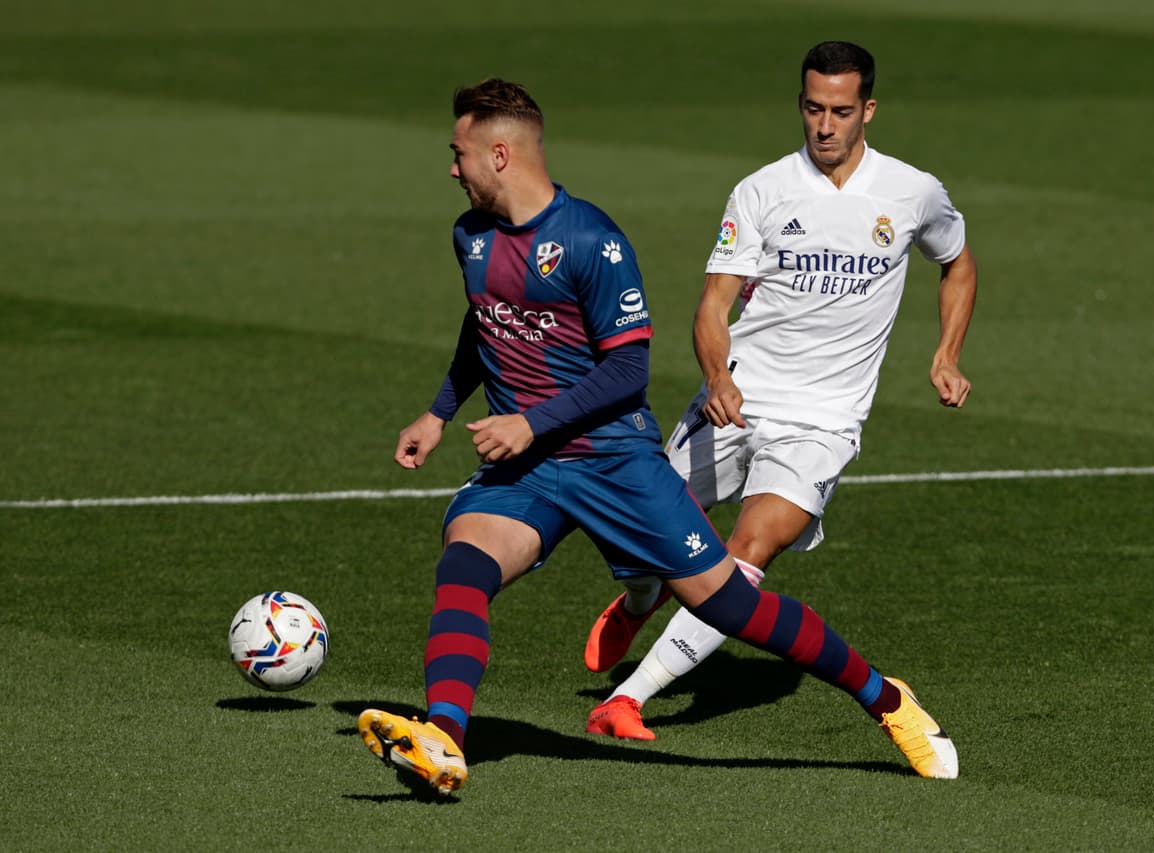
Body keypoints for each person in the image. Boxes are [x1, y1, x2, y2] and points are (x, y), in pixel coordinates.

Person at [356, 76, 958, 799]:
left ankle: (886, 699)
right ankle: (445, 738)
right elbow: (484, 321)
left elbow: (628, 371)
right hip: (531, 468)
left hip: (612, 460)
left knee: (729, 605)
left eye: (459, 153)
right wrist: (440, 410)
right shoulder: (471, 237)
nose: (451, 167)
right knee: (463, 568)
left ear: (501, 154)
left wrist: (527, 421)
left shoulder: (590, 240)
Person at [583, 40, 977, 744]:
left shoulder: (912, 192)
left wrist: (945, 354)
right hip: (738, 396)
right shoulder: (762, 190)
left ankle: (629, 698)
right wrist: (718, 377)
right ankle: (641, 592)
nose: (825, 125)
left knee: (743, 553)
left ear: (869, 111)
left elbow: (958, 264)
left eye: (841, 111)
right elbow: (712, 306)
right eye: (813, 108)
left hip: (822, 422)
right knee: (648, 534)